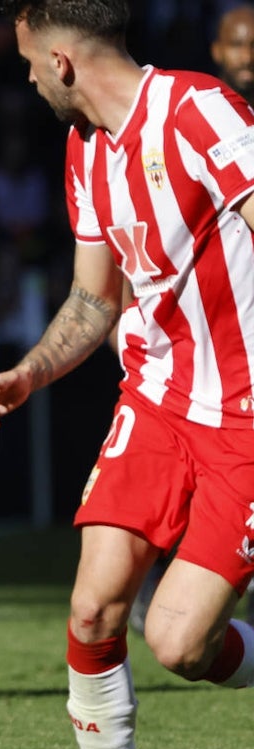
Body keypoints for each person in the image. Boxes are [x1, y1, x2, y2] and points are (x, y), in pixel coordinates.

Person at [0, 3, 254, 749]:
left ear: (61, 62)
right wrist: (30, 372)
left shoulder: (200, 109)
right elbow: (96, 299)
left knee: (180, 647)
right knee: (94, 610)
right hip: (159, 400)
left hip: (247, 418)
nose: (25, 78)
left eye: (28, 61)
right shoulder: (84, 149)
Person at [130, 2, 254, 634]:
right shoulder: (192, 123)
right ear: (216, 50)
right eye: (237, 45)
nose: (248, 55)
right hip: (190, 356)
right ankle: (163, 584)